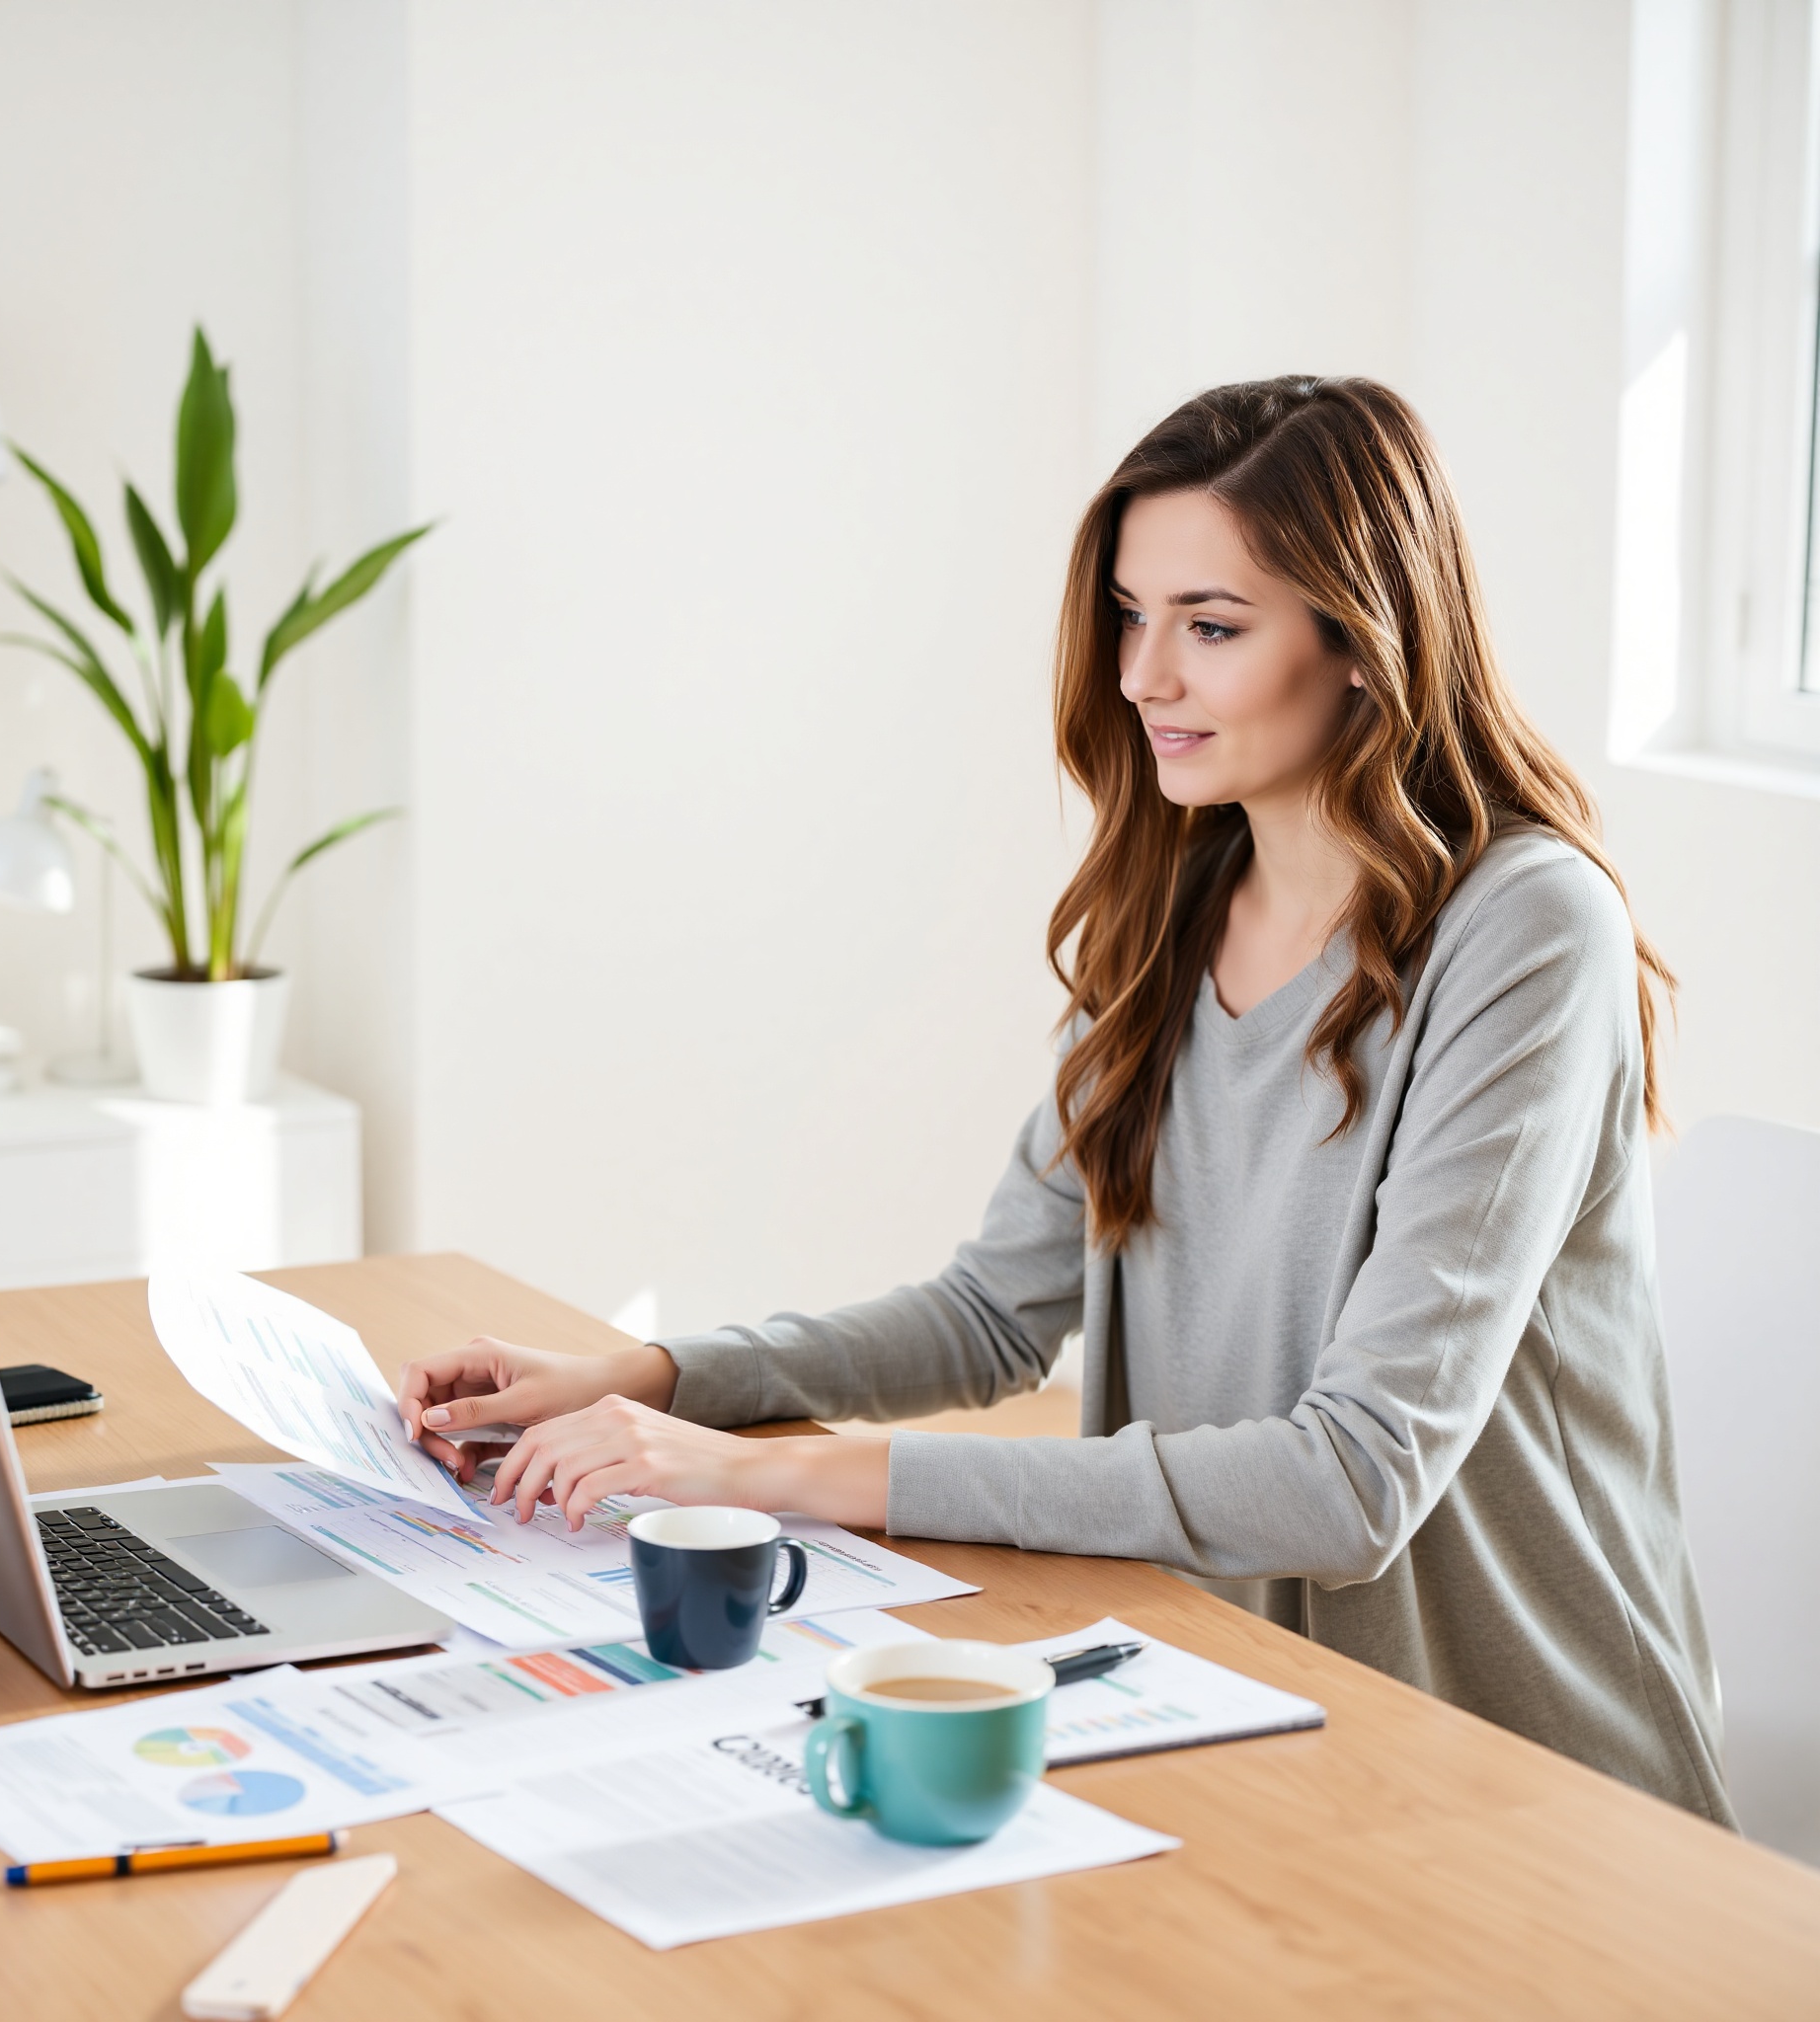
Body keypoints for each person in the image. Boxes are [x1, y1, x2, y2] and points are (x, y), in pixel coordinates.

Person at [398, 376, 1732, 1825]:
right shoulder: (1174, 909)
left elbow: (1352, 1481)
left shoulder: (1525, 930)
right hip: (1223, 1698)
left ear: (1366, 644)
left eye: (1210, 627)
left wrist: (776, 1480)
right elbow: (990, 1315)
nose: (1143, 676)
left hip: (1511, 1781)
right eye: (1128, 615)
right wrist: (648, 1383)